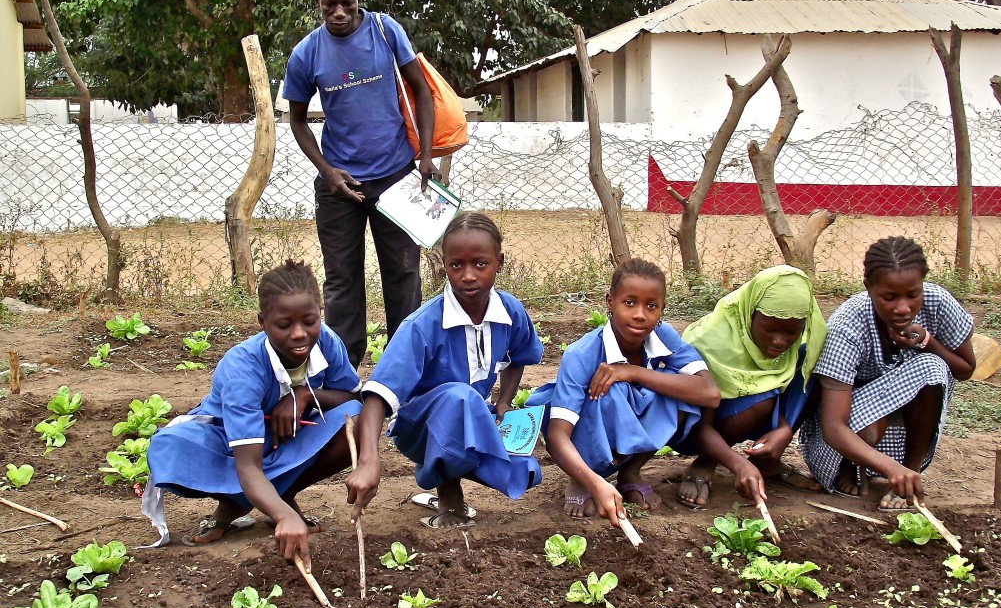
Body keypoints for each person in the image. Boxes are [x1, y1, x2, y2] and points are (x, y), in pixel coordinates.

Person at [145, 260, 373, 568]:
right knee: (171, 448)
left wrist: (305, 395)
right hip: (228, 444)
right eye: (283, 325)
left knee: (356, 420)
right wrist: (286, 517)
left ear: (320, 314)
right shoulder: (242, 368)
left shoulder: (326, 342)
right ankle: (238, 506)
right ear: (262, 322)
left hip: (288, 439)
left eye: (309, 321)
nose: (299, 334)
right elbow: (248, 466)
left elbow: (353, 394)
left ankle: (280, 493)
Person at [283, 0, 440, 367]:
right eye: (328, 5)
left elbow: (421, 91)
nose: (338, 13)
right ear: (318, 4)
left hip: (396, 176)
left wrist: (425, 155)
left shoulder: (386, 31)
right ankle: (344, 373)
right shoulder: (306, 53)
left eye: (346, 4)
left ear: (358, 2)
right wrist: (327, 171)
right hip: (340, 185)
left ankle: (403, 367)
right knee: (341, 283)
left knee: (404, 275)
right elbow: (297, 121)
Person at [359, 212, 543, 528]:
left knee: (524, 470)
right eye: (456, 265)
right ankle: (448, 492)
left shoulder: (510, 310)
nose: (468, 275)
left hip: (471, 414)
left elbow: (521, 355)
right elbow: (377, 395)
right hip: (419, 429)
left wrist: (504, 402)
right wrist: (368, 461)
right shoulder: (423, 324)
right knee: (460, 398)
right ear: (443, 265)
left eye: (480, 264)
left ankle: (453, 468)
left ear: (499, 262)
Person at [527, 258, 721, 523]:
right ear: (610, 302)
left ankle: (630, 472)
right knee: (609, 390)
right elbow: (558, 435)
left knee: (676, 389)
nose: (640, 314)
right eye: (629, 302)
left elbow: (709, 393)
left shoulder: (662, 335)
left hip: (626, 418)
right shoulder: (581, 353)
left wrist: (634, 372)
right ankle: (583, 479)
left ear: (662, 309)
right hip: (584, 431)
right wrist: (593, 482)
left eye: (651, 306)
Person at [800, 237, 975, 510]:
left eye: (912, 295)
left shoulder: (938, 303)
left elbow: (965, 370)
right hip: (840, 436)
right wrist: (889, 468)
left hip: (898, 428)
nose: (903, 308)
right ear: (869, 288)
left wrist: (928, 342)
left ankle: (910, 471)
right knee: (870, 426)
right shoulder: (848, 324)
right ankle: (855, 465)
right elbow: (833, 426)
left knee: (932, 367)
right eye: (889, 297)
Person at [676, 265, 827, 508]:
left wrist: (785, 429)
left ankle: (767, 461)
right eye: (770, 329)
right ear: (749, 314)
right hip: (697, 427)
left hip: (754, 412)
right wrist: (738, 463)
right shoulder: (710, 343)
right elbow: (701, 424)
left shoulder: (793, 345)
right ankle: (706, 462)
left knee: (817, 364)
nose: (780, 341)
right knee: (763, 399)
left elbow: (784, 386)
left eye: (791, 332)